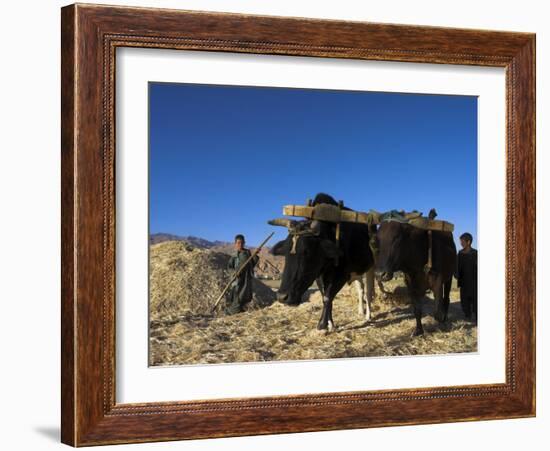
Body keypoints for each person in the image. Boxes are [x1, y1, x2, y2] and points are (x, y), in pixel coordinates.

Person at [224, 234, 260, 315]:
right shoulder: (234, 256)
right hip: (238, 280)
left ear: (244, 243)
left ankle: (240, 311)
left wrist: (255, 255)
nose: (240, 244)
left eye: (242, 243)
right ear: (235, 244)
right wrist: (234, 273)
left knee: (245, 297)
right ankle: (229, 312)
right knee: (237, 298)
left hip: (246, 280)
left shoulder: (247, 253)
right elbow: (229, 267)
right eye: (238, 243)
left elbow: (252, 264)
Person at [456, 232, 478, 322]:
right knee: (464, 300)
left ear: (468, 242)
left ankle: (477, 317)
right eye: (460, 241)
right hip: (463, 281)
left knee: (476, 300)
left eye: (462, 241)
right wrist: (456, 274)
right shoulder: (460, 253)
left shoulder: (475, 253)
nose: (461, 243)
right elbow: (457, 266)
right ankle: (467, 315)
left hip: (474, 282)